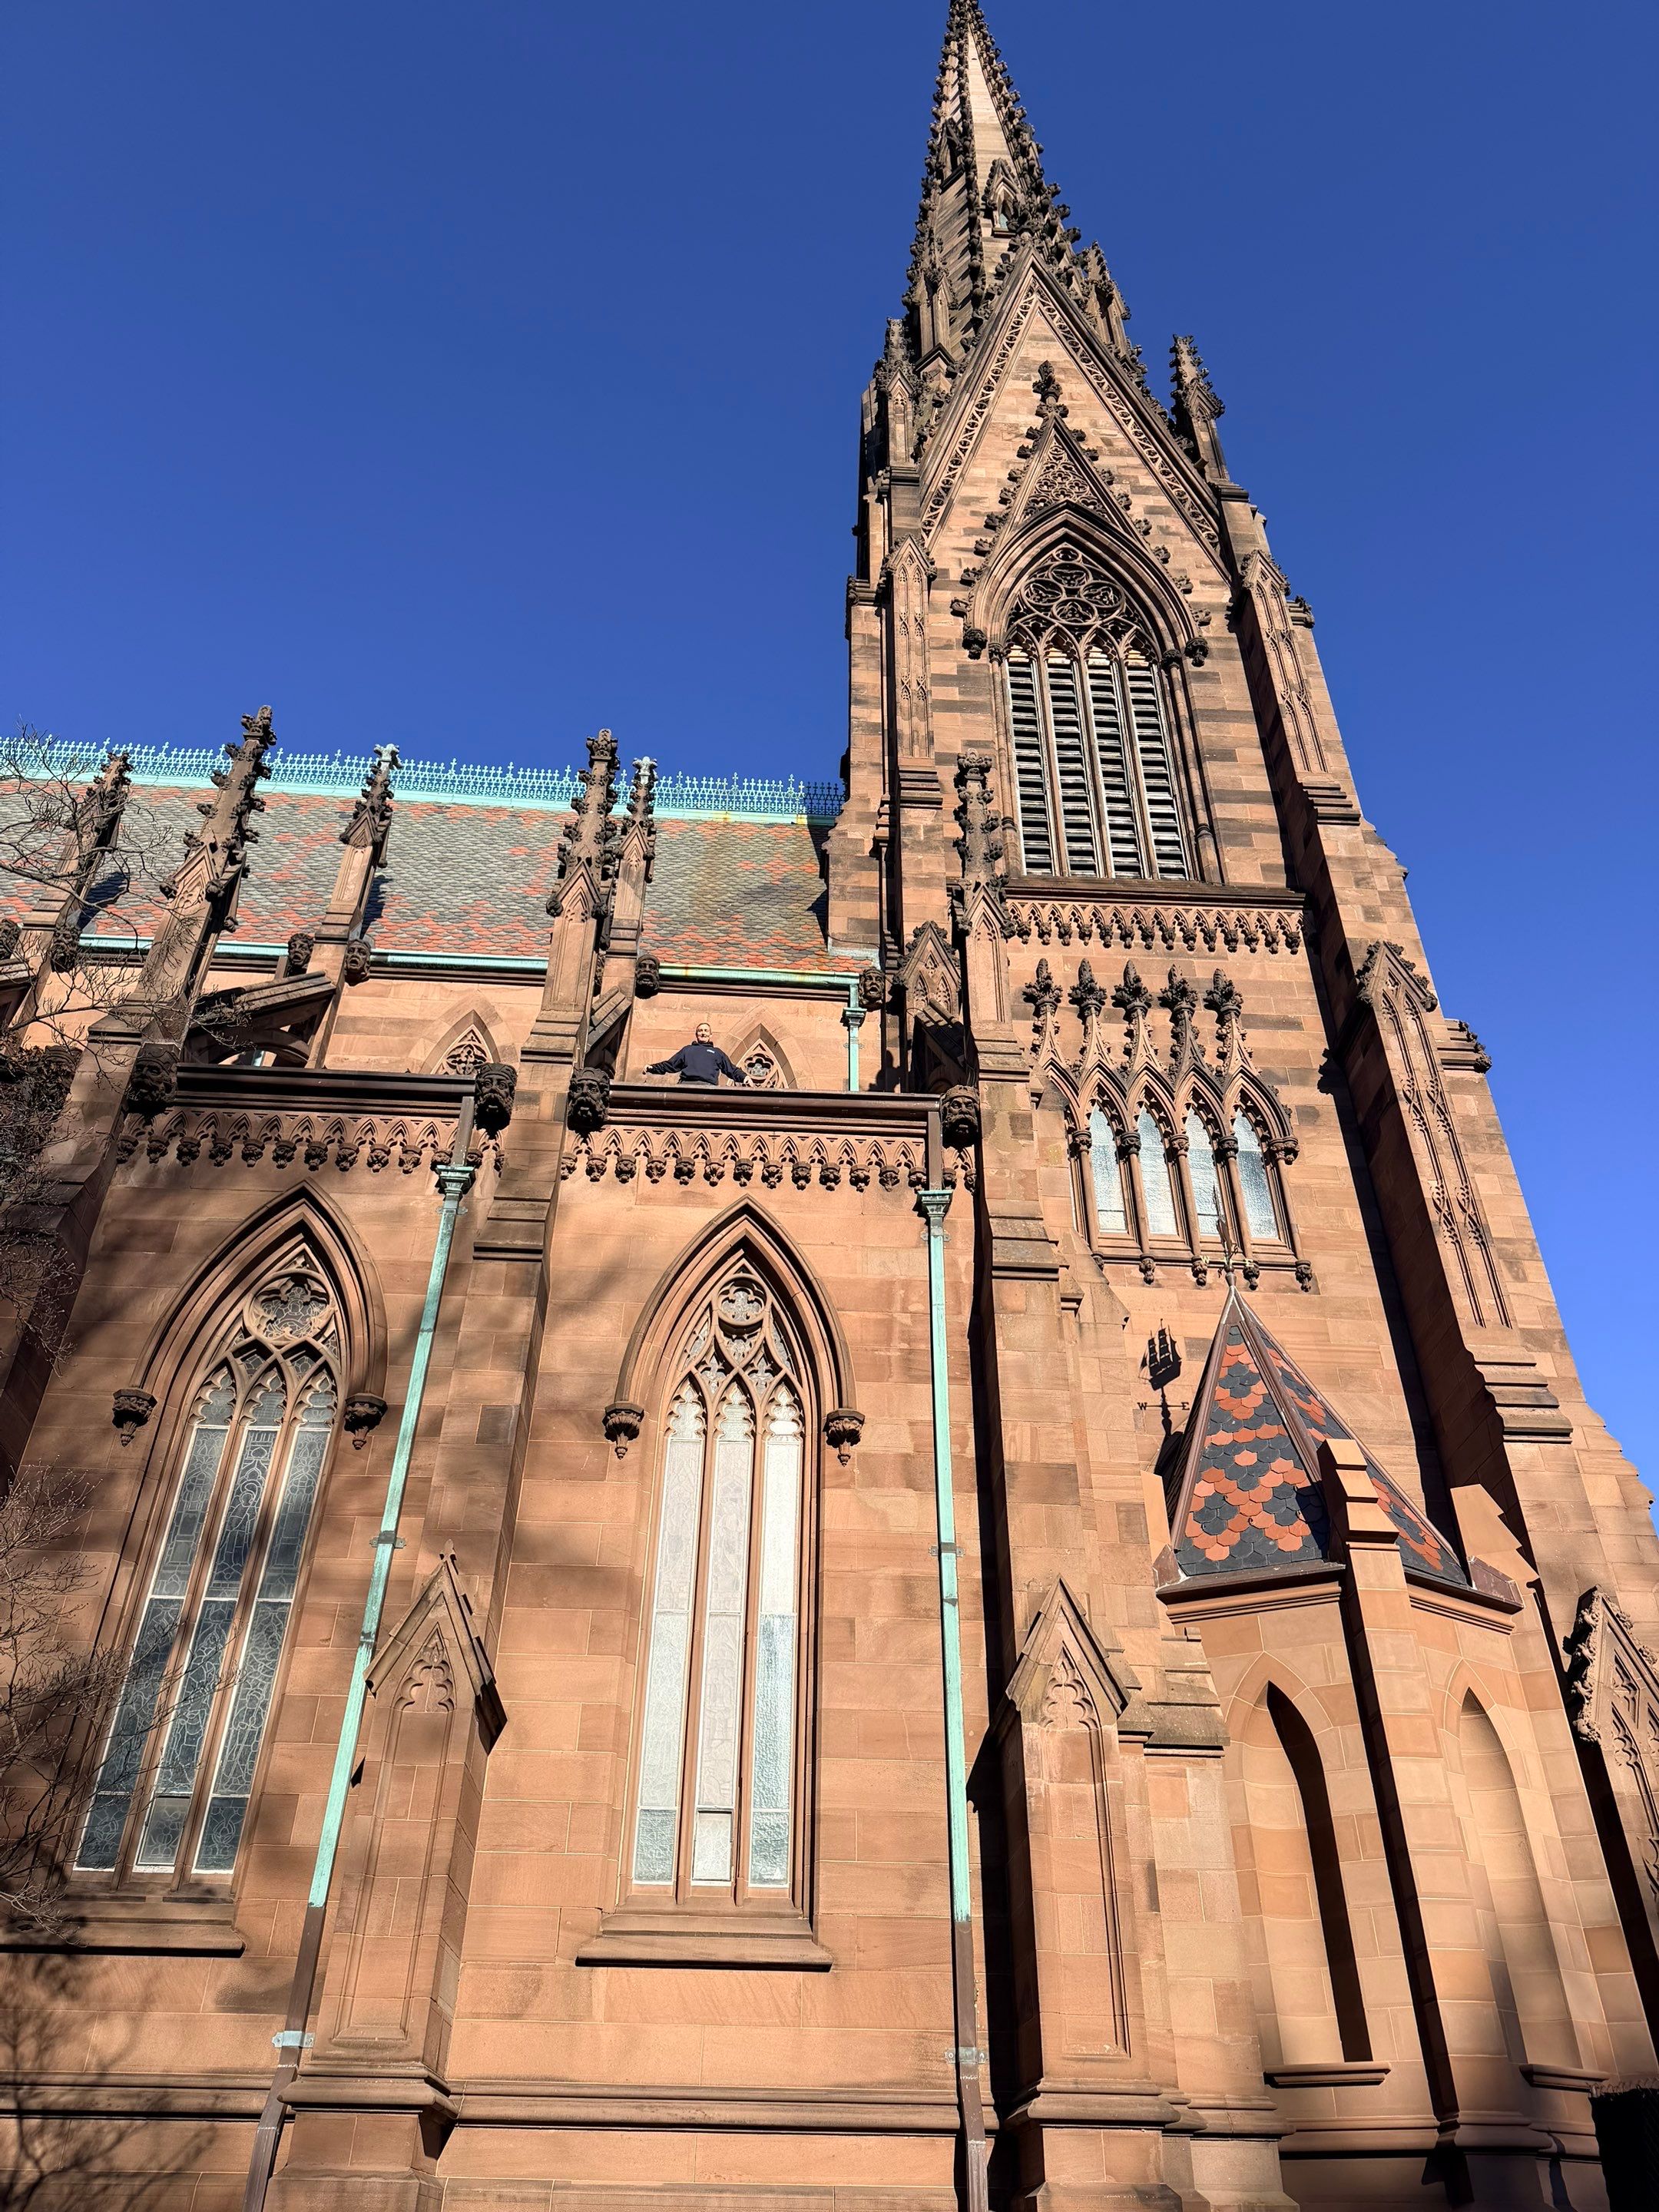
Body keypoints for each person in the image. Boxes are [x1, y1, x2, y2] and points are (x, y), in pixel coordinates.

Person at [644, 1022, 749, 1087]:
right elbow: (670, 1065)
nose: (703, 1033)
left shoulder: (717, 1053)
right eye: (700, 1031)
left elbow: (731, 1069)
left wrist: (744, 1077)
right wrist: (652, 1068)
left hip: (708, 1087)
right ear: (696, 1034)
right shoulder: (687, 1050)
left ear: (710, 1035)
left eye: (706, 1031)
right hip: (687, 1086)